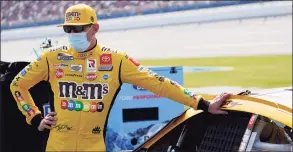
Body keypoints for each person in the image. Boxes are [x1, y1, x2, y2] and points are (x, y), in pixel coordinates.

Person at [10, 4, 232, 152]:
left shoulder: (116, 60)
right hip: (57, 145)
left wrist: (201, 103)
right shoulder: (52, 57)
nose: (72, 34)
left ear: (94, 28)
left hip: (94, 145)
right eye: (68, 28)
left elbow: (158, 83)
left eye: (77, 28)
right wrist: (36, 117)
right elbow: (17, 84)